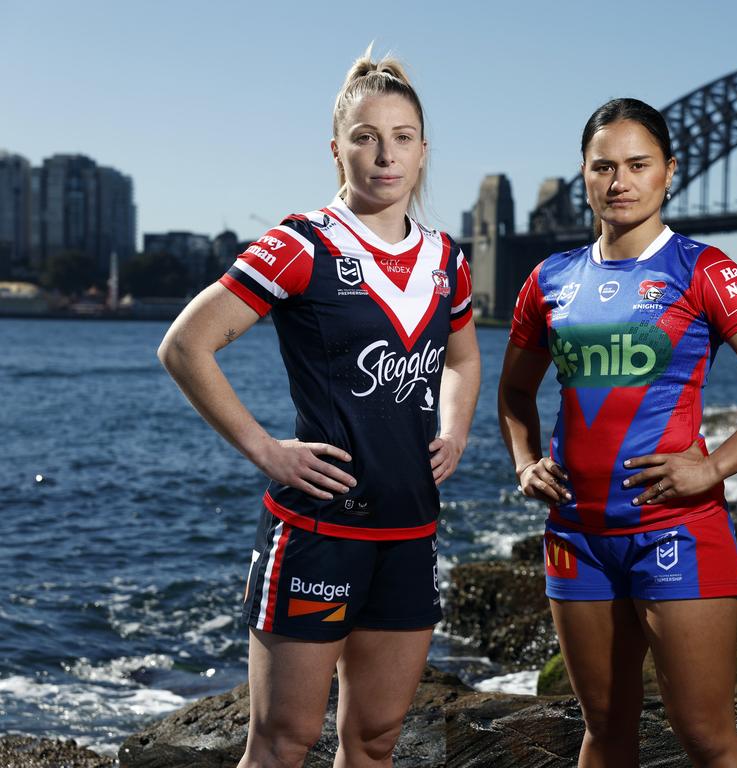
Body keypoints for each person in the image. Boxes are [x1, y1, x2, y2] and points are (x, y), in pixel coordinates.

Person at [159, 46, 480, 768]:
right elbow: (186, 346)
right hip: (318, 530)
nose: (384, 155)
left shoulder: (447, 259)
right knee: (281, 744)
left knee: (374, 742)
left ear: (423, 151)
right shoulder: (299, 244)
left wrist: (455, 429)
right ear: (338, 149)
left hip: (410, 533)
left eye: (401, 138)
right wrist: (267, 450)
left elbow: (462, 356)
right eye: (365, 138)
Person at [498, 98, 737, 768]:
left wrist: (713, 467)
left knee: (706, 737)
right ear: (584, 177)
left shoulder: (701, 269)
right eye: (603, 166)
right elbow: (514, 391)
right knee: (605, 731)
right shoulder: (550, 278)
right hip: (576, 535)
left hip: (677, 530)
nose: (620, 180)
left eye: (638, 165)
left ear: (669, 172)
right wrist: (526, 460)